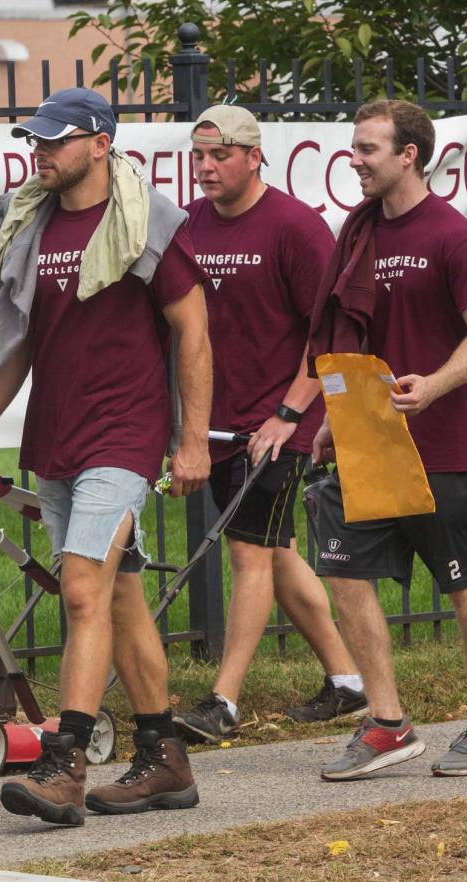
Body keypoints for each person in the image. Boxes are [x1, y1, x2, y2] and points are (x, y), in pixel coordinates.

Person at [0, 87, 212, 825]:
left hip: (124, 436)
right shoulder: (36, 225)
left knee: (83, 592)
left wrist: (191, 439)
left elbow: (193, 329)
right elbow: (19, 344)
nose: (42, 151)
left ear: (100, 142)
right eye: (37, 139)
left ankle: (64, 763)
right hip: (58, 434)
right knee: (120, 597)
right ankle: (164, 758)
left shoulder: (146, 223)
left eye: (56, 140)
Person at [307, 99, 467, 781]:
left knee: (466, 587)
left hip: (446, 445)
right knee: (343, 571)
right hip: (368, 443)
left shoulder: (453, 236)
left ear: (409, 155)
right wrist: (328, 422)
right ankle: (388, 723)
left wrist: (433, 385)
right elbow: (350, 341)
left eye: (369, 148)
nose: (355, 159)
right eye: (354, 146)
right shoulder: (358, 229)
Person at [172, 105, 368, 745]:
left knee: (249, 552)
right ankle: (348, 683)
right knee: (278, 554)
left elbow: (328, 333)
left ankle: (222, 701)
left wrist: (289, 413)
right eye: (199, 156)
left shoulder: (295, 226)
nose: (205, 168)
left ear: (254, 157)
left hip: (282, 423)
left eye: (220, 155)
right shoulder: (190, 224)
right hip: (221, 424)